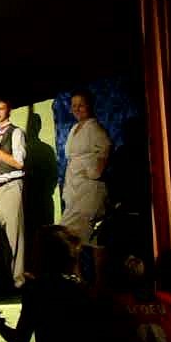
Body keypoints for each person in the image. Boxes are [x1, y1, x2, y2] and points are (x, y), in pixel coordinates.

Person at [0, 99, 27, 290]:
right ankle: (3, 280)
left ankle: (18, 281)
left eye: (1, 109)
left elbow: (19, 163)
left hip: (11, 185)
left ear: (9, 110)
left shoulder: (16, 133)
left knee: (14, 235)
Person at [60, 89, 112, 244]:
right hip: (74, 188)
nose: (77, 109)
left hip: (87, 190)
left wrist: (95, 173)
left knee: (73, 235)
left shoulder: (93, 127)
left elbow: (106, 147)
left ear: (89, 105)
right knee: (74, 236)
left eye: (81, 105)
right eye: (74, 105)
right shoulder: (74, 128)